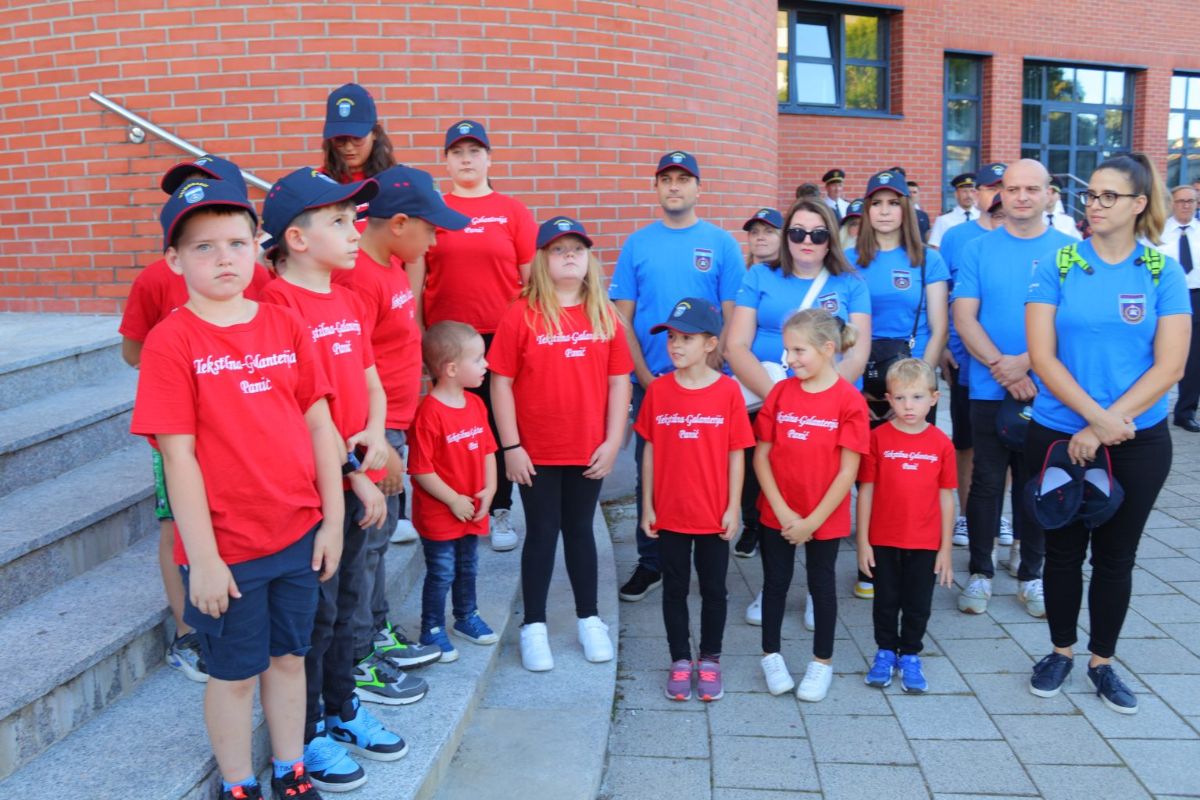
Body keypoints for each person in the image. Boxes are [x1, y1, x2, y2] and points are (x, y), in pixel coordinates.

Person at [131, 179, 343, 800]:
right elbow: (178, 457)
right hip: (227, 548)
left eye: (235, 243)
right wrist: (202, 558)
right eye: (203, 247)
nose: (223, 258)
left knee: (289, 659)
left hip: (297, 533)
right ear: (174, 260)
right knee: (235, 674)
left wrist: (332, 521)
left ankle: (291, 768)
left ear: (258, 247)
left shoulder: (284, 323)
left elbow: (319, 425)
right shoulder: (172, 340)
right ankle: (237, 784)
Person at [258, 169, 413, 792]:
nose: (356, 232)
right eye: (340, 221)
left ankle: (344, 707)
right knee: (317, 616)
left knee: (349, 606)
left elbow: (372, 381)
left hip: (357, 478)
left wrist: (375, 434)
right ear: (296, 239)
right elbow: (305, 411)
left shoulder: (347, 299)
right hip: (316, 489)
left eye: (354, 220)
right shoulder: (277, 306)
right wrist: (354, 476)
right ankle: (310, 731)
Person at [1025, 152, 1190, 714]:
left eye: (1108, 196)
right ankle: (1060, 652)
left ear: (1139, 204)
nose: (1094, 204)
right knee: (1063, 551)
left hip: (1137, 441)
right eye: (1091, 194)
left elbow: (1170, 366)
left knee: (1117, 557)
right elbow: (1043, 357)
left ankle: (1102, 661)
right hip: (1058, 434)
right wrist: (1093, 421)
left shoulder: (1161, 271)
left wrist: (1105, 425)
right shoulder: (1059, 263)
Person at [118, 155, 274, 683]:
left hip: (246, 426)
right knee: (175, 523)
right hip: (181, 428)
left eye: (208, 188)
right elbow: (132, 351)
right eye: (182, 191)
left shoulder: (256, 275)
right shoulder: (154, 279)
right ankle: (188, 631)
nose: (194, 197)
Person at [336, 166, 468, 695]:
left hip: (394, 425)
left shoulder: (391, 265)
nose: (434, 241)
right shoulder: (357, 279)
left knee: (380, 540)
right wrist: (378, 441)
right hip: (375, 432)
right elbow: (349, 372)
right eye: (430, 229)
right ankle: (359, 651)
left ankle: (376, 628)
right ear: (398, 224)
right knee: (366, 543)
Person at [490, 216, 632, 671]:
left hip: (588, 447)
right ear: (542, 260)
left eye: (577, 249)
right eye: (558, 249)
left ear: (590, 258)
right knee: (542, 532)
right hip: (536, 451)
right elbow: (500, 382)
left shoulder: (604, 314)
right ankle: (533, 625)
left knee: (581, 530)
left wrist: (613, 441)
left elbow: (619, 382)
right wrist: (511, 447)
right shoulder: (521, 313)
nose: (569, 256)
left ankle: (589, 618)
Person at [727, 198, 871, 625]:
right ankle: (774, 585)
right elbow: (736, 345)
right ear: (786, 235)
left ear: (831, 239)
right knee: (774, 488)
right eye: (797, 232)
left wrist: (823, 398)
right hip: (771, 399)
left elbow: (857, 352)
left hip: (832, 408)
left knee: (824, 489)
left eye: (818, 233)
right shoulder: (759, 275)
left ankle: (816, 588)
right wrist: (783, 398)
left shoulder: (851, 283)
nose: (807, 241)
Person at [609, 150, 743, 603]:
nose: (674, 186)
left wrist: (716, 364)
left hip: (708, 381)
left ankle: (711, 555)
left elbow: (732, 313)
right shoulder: (637, 244)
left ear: (698, 188)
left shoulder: (721, 243)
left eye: (683, 179)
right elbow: (622, 318)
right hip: (653, 380)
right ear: (656, 188)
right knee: (652, 471)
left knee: (710, 468)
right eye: (666, 179)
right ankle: (652, 562)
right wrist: (643, 374)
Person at [954, 159, 1076, 618]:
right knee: (986, 482)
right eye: (1013, 188)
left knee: (1037, 482)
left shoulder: (1070, 250)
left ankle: (1031, 573)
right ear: (1001, 194)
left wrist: (1026, 363)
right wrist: (1002, 367)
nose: (1022, 196)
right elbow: (965, 317)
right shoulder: (978, 249)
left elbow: (1070, 319)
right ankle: (980, 572)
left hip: (1050, 389)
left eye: (1032, 188)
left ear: (1049, 195)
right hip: (988, 387)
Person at [408, 120, 537, 554]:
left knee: (495, 426)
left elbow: (531, 281)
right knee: (448, 424)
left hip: (500, 337)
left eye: (474, 151)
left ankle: (498, 508)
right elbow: (415, 281)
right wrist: (417, 333)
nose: (466, 159)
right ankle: (451, 503)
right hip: (446, 340)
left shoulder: (511, 211)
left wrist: (529, 332)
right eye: (457, 152)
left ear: (489, 159)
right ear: (446, 161)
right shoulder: (434, 210)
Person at [636, 297, 754, 701]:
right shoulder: (659, 391)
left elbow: (737, 452)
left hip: (712, 513)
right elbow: (650, 451)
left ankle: (710, 659)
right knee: (674, 588)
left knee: (714, 589)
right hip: (670, 511)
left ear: (710, 344)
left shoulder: (728, 392)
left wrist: (733, 507)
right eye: (671, 337)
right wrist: (648, 505)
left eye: (686, 338)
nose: (676, 345)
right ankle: (680, 659)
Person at [754, 309, 869, 703]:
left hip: (825, 517)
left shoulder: (849, 401)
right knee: (775, 583)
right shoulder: (781, 393)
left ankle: (822, 662)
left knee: (822, 586)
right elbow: (761, 456)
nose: (789, 359)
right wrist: (784, 513)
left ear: (827, 348)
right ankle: (771, 655)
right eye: (787, 350)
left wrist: (812, 521)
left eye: (798, 350)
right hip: (778, 512)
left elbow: (848, 471)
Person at [857, 359, 955, 693]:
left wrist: (945, 548)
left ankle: (910, 654)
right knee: (885, 600)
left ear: (934, 398)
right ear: (888, 399)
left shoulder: (941, 443)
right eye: (899, 398)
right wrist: (863, 541)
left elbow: (946, 497)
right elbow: (866, 491)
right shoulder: (878, 438)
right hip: (884, 539)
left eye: (916, 397)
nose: (908, 406)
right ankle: (885, 651)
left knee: (918, 603)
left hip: (925, 542)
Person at [408, 321, 500, 663]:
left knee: (468, 566)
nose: (486, 364)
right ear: (450, 369)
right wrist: (453, 499)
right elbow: (421, 470)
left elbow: (489, 450)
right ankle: (431, 628)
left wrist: (490, 488)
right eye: (477, 359)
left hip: (472, 509)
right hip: (441, 514)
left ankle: (466, 616)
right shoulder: (429, 414)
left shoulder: (475, 404)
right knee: (442, 571)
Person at [940, 164, 1006, 548]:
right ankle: (965, 514)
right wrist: (943, 346)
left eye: (1003, 187)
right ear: (975, 193)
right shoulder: (957, 237)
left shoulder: (1023, 235)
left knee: (1008, 437)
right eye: (989, 188)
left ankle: (998, 513)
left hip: (1014, 361)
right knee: (965, 441)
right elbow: (942, 295)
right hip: (964, 357)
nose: (996, 194)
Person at [732, 208, 783, 560]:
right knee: (750, 456)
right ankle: (752, 524)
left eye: (769, 231)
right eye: (754, 232)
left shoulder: (796, 276)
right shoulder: (747, 277)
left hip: (788, 382)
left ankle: (779, 520)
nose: (760, 237)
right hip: (751, 384)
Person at [1158, 184, 1200, 432]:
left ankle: (1185, 413)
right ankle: (1150, 409)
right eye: (1181, 201)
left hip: (1196, 296)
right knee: (1160, 354)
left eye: (1191, 201)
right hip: (1165, 300)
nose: (1186, 205)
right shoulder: (1157, 233)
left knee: (1194, 359)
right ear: (1171, 204)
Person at [321, 82, 398, 189]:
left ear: (375, 133)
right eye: (340, 139)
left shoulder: (396, 182)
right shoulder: (318, 183)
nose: (348, 147)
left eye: (357, 138)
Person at [928, 172, 978, 249]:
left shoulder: (982, 217)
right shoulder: (944, 220)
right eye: (964, 191)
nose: (969, 195)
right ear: (956, 194)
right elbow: (935, 248)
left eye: (972, 191)